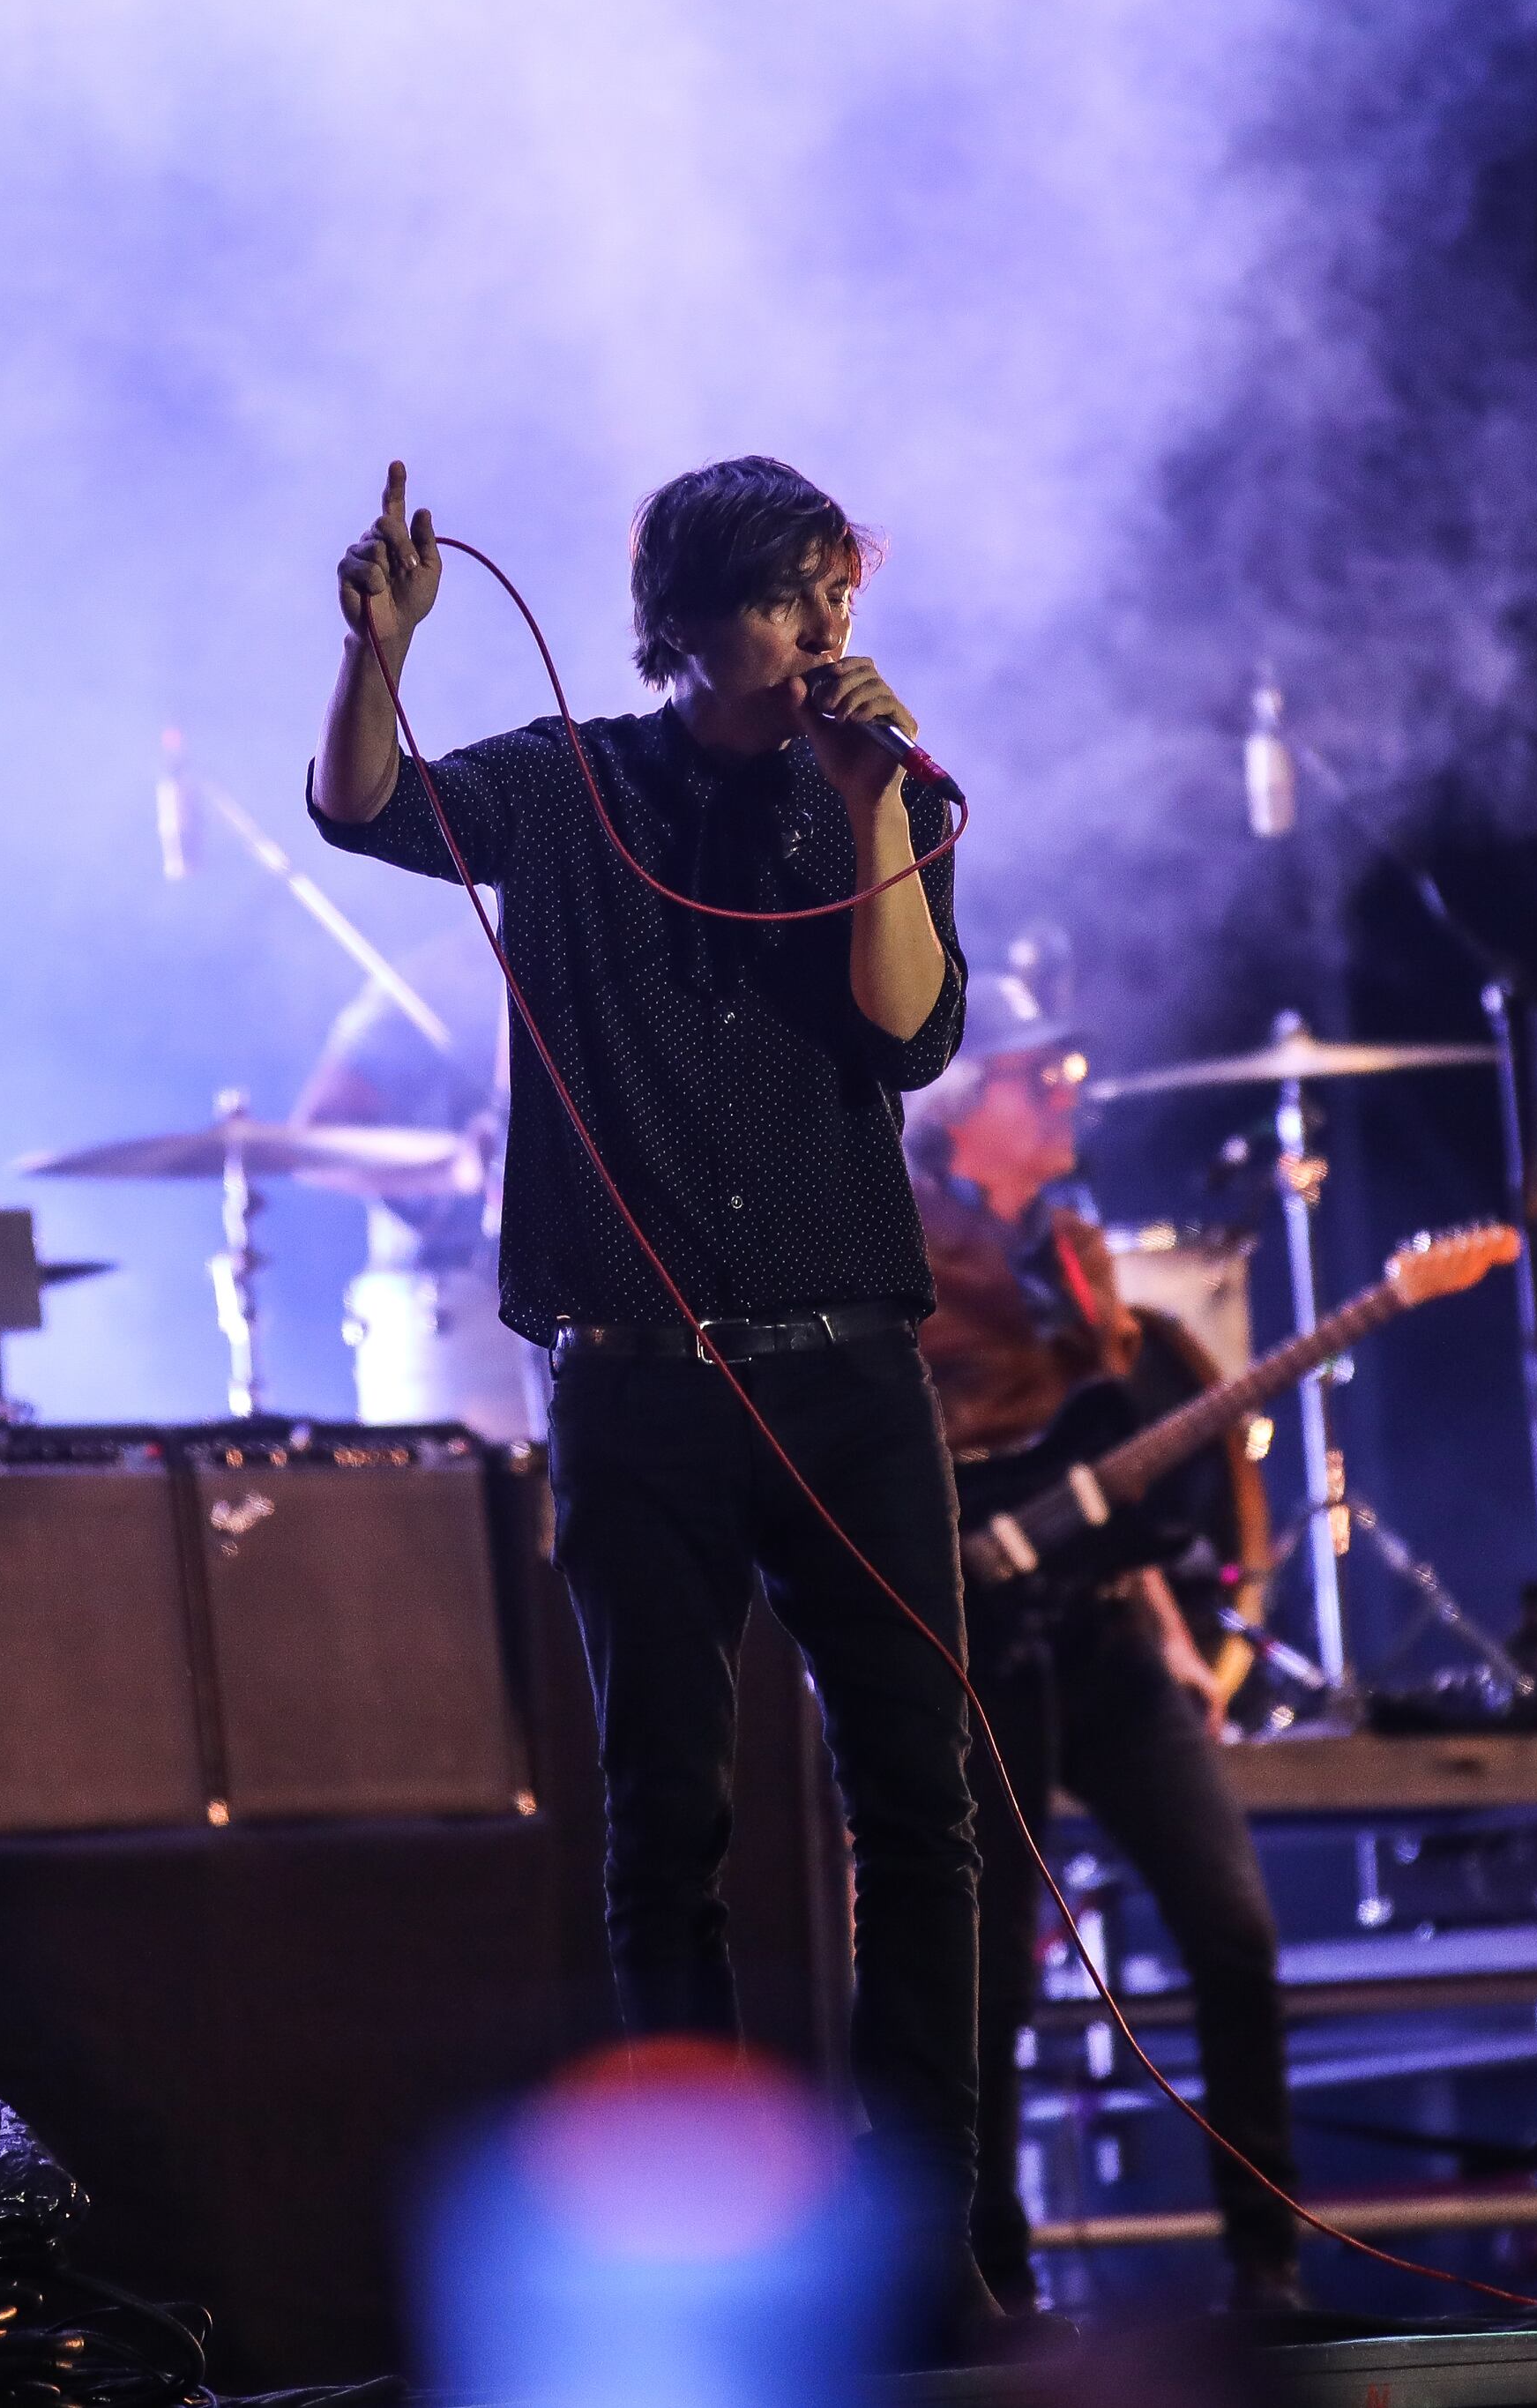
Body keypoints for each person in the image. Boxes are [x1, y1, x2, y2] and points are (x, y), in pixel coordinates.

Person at [307, 457, 991, 2332]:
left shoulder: (896, 794)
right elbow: (365, 805)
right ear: (684, 622)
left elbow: (908, 1033)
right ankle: (710, 2275)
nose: (822, 627)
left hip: (849, 1371)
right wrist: (376, 655)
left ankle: (933, 2250)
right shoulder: (574, 784)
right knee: (665, 1824)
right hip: (640, 1382)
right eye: (782, 597)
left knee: (919, 1809)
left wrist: (869, 804)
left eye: (834, 589)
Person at [911, 982, 1305, 2313]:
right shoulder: (894, 1228)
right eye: (1038, 1076)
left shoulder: (1075, 1245)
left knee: (1233, 1929)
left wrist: (1174, 1624)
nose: (1066, 1094)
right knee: (987, 1982)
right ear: (965, 1100)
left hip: (1103, 1633)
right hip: (975, 1636)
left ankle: (1267, 2267)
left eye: (1070, 1073)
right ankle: (997, 2279)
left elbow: (1104, 1469)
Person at [291, 919, 534, 1443]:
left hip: (608, 1290)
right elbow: (317, 1142)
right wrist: (452, 1171)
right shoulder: (432, 984)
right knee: (468, 1490)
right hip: (452, 1299)